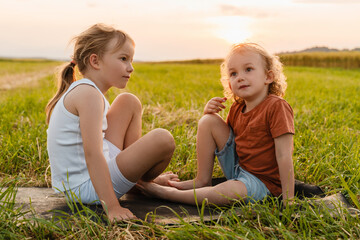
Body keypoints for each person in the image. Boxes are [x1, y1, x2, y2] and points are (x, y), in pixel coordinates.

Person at [46, 23, 179, 221]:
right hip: (85, 188)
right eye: (123, 59)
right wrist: (112, 206)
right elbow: (93, 154)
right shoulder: (88, 95)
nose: (131, 67)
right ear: (95, 61)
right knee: (163, 139)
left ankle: (136, 182)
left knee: (129, 101)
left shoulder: (89, 91)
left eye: (131, 60)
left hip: (91, 177)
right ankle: (139, 183)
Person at [138, 43, 295, 206]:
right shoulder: (238, 107)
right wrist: (208, 113)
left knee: (229, 192)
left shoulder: (277, 107)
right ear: (229, 84)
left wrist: (288, 199)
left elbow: (284, 155)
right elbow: (226, 142)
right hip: (238, 167)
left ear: (268, 77)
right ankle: (201, 181)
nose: (240, 77)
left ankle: (167, 193)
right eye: (233, 74)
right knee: (208, 121)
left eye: (248, 69)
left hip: (263, 183)